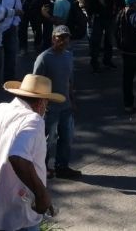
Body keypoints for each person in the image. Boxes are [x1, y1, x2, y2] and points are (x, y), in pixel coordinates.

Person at [0, 74, 64, 231]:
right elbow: (18, 157)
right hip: (21, 212)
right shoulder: (33, 120)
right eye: (46, 105)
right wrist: (42, 195)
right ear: (41, 102)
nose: (45, 110)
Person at [33, 25, 81, 179]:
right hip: (49, 108)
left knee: (66, 138)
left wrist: (72, 100)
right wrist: (37, 108)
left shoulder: (68, 55)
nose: (64, 41)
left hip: (66, 106)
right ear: (53, 38)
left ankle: (62, 167)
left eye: (66, 37)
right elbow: (34, 84)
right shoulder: (44, 58)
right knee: (47, 141)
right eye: (60, 37)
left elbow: (70, 80)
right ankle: (42, 169)